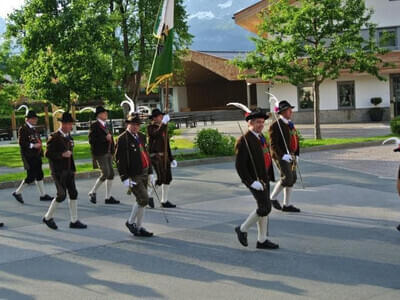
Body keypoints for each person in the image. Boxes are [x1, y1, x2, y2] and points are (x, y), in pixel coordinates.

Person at [234, 108, 279, 250]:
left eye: (262, 122)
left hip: (264, 177)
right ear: (250, 124)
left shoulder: (261, 137)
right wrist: (251, 182)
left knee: (263, 208)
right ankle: (242, 229)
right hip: (255, 180)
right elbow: (240, 166)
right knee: (265, 207)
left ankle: (262, 239)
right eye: (258, 122)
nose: (261, 125)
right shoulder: (244, 141)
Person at [42, 112, 87, 230]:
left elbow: (70, 156)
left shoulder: (69, 137)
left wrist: (73, 169)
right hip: (58, 171)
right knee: (61, 195)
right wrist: (62, 155)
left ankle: (74, 220)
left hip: (69, 171)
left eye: (71, 124)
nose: (70, 126)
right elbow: (48, 154)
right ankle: (47, 217)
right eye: (68, 124)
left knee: (73, 193)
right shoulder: (54, 137)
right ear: (62, 124)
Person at [115, 114, 156, 237]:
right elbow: (119, 160)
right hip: (133, 174)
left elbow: (146, 155)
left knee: (141, 201)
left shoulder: (141, 136)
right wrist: (124, 178)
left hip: (144, 171)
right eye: (133, 124)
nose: (135, 127)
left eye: (137, 124)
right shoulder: (122, 139)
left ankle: (138, 227)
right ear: (128, 124)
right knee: (144, 198)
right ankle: (130, 222)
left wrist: (150, 172)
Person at [12, 110, 52, 204]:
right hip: (29, 156)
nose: (36, 120)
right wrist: (33, 146)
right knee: (31, 176)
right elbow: (22, 142)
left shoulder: (33, 129)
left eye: (36, 118)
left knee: (39, 175)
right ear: (28, 119)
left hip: (36, 155)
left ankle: (43, 195)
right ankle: (17, 192)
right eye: (34, 118)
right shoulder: (23, 128)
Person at [269, 100, 301, 213]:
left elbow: (295, 139)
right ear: (282, 112)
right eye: (288, 110)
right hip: (280, 156)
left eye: (290, 109)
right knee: (287, 178)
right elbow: (273, 145)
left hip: (291, 155)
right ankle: (272, 198)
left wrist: (296, 154)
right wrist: (282, 156)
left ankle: (286, 205)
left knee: (292, 178)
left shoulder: (290, 124)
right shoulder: (275, 125)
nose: (291, 111)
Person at [88, 106, 119, 204]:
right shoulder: (94, 125)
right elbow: (91, 140)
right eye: (104, 113)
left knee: (111, 174)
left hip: (108, 152)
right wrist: (104, 138)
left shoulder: (106, 125)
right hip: (100, 153)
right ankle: (92, 192)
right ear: (99, 115)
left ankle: (108, 197)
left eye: (106, 112)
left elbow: (111, 138)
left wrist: (113, 151)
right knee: (105, 173)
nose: (106, 114)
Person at [147, 108, 178, 208]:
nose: (162, 118)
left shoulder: (164, 128)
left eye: (162, 116)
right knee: (160, 178)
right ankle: (148, 196)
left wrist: (171, 158)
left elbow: (166, 145)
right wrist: (163, 124)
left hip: (165, 157)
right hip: (155, 156)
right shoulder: (151, 128)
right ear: (155, 118)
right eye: (160, 116)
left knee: (168, 178)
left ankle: (164, 201)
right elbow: (156, 134)